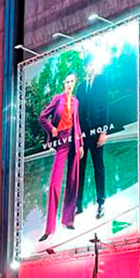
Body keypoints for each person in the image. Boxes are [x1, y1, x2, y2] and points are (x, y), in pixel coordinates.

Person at [38, 73, 83, 242]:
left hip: (75, 140)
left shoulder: (76, 102)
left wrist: (81, 144)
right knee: (54, 184)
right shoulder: (58, 98)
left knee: (73, 180)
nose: (69, 84)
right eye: (67, 81)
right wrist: (52, 129)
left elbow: (77, 123)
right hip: (62, 140)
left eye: (72, 81)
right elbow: (42, 117)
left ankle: (68, 220)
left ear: (75, 83)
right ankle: (49, 229)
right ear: (64, 83)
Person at [75, 60, 110, 219]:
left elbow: (105, 106)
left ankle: (101, 204)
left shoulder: (102, 81)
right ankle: (78, 205)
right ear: (84, 68)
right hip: (82, 135)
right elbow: (76, 115)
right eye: (86, 66)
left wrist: (103, 132)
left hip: (96, 133)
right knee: (79, 170)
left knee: (98, 167)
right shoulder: (80, 88)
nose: (89, 68)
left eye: (91, 65)